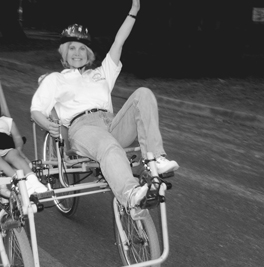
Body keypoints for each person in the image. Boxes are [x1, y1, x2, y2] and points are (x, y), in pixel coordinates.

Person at [30, 0, 179, 212]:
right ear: (63, 52)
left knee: (143, 94)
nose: (77, 52)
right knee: (108, 145)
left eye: (82, 48)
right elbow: (36, 110)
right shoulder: (55, 79)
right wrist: (48, 123)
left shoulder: (101, 74)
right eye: (71, 48)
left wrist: (133, 12)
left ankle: (154, 159)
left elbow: (119, 42)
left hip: (111, 123)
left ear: (89, 54)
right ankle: (130, 193)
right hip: (82, 129)